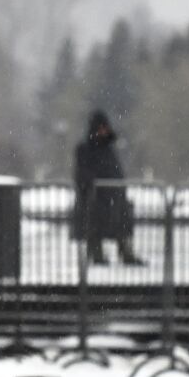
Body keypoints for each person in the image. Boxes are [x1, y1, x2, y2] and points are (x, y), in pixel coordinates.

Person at [72, 110, 144, 265]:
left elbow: (115, 171)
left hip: (113, 197)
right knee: (96, 223)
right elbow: (82, 173)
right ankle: (97, 253)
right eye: (101, 128)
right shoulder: (85, 149)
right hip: (96, 198)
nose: (104, 131)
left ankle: (125, 252)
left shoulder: (108, 149)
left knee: (123, 220)